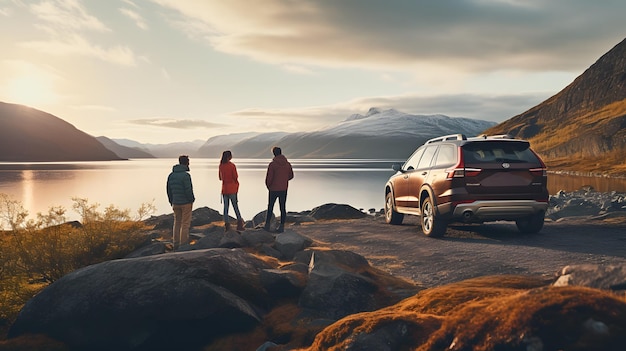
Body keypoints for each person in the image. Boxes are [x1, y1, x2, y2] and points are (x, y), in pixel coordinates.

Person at [166, 155, 195, 248]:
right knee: (185, 224)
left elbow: (168, 190)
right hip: (185, 202)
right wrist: (191, 199)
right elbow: (188, 190)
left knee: (177, 222)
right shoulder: (186, 176)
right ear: (186, 163)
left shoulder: (171, 175)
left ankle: (176, 243)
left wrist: (171, 201)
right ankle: (183, 244)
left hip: (175, 202)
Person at [264, 146, 294, 233]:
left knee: (270, 207)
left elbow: (269, 178)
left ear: (274, 153)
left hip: (273, 189)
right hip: (283, 188)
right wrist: (284, 180)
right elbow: (291, 176)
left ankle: (267, 226)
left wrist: (268, 185)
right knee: (282, 207)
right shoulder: (287, 164)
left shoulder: (272, 164)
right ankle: (281, 227)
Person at [219, 150, 245, 231]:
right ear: (229, 157)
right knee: (235, 206)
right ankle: (239, 224)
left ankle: (227, 225)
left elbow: (220, 178)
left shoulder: (221, 165)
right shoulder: (232, 166)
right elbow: (235, 176)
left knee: (226, 208)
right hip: (232, 188)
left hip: (224, 189)